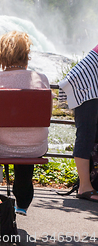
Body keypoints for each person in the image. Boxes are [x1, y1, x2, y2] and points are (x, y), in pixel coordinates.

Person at [0, 31, 50, 232]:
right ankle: (22, 201)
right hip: (34, 148)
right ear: (26, 54)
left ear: (0, 55)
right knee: (24, 142)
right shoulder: (41, 79)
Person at [59, 45, 98, 202]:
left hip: (90, 82)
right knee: (86, 133)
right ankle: (84, 187)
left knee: (90, 133)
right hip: (86, 85)